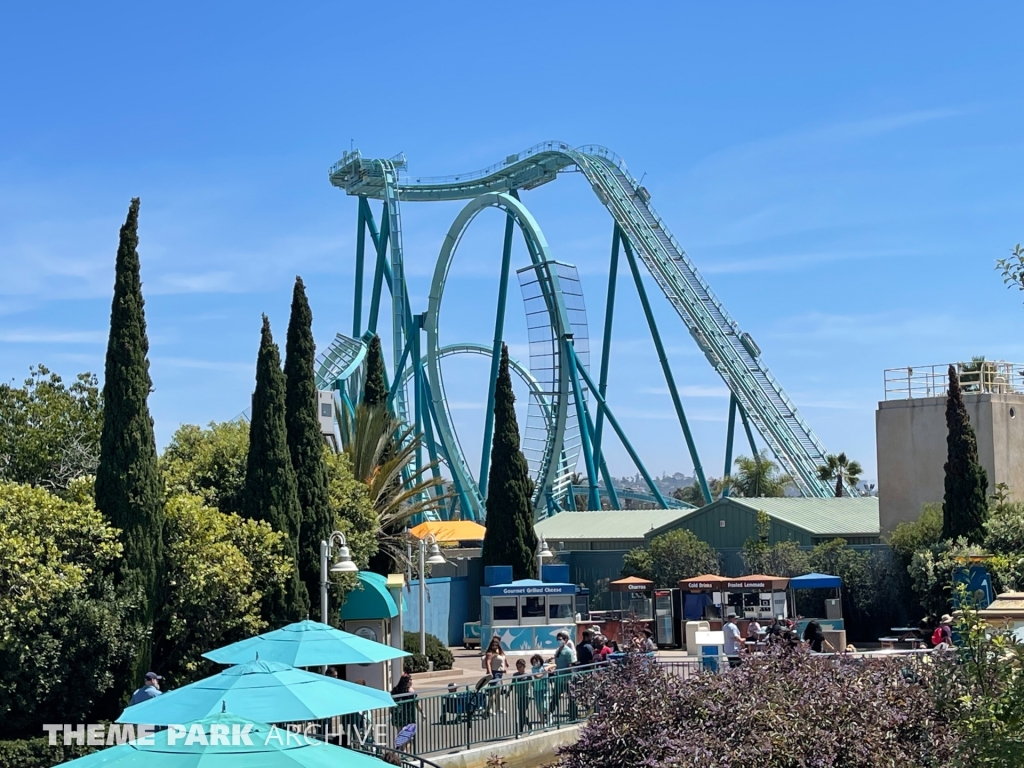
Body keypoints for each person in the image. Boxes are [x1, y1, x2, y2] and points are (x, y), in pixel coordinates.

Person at [548, 632, 574, 717]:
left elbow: (570, 665)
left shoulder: (568, 651)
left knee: (572, 697)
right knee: (555, 696)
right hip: (559, 678)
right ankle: (549, 712)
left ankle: (574, 714)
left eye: (560, 639)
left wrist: (568, 677)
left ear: (565, 640)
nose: (559, 641)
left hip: (566, 678)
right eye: (558, 639)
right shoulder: (559, 650)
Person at [483, 636, 508, 713]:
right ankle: (488, 709)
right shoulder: (490, 653)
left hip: (499, 674)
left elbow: (503, 658)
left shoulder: (498, 651)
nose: (495, 646)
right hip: (494, 673)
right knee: (494, 692)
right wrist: (490, 673)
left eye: (496, 645)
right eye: (493, 645)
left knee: (498, 692)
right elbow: (488, 663)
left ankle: (497, 708)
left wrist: (505, 665)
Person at [511, 659, 532, 733]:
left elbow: (532, 684)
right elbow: (512, 684)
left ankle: (521, 730)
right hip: (519, 696)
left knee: (521, 713)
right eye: (517, 667)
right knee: (521, 713)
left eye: (520, 667)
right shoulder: (515, 675)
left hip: (526, 696)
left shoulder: (527, 675)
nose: (518, 668)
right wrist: (508, 692)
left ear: (524, 667)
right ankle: (528, 725)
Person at [529, 653, 549, 719]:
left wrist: (548, 668)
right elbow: (537, 676)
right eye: (533, 662)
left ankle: (549, 717)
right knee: (538, 706)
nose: (535, 663)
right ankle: (543, 722)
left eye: (536, 661)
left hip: (544, 688)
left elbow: (554, 665)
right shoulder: (533, 669)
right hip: (536, 689)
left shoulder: (543, 666)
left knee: (545, 705)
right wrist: (544, 672)